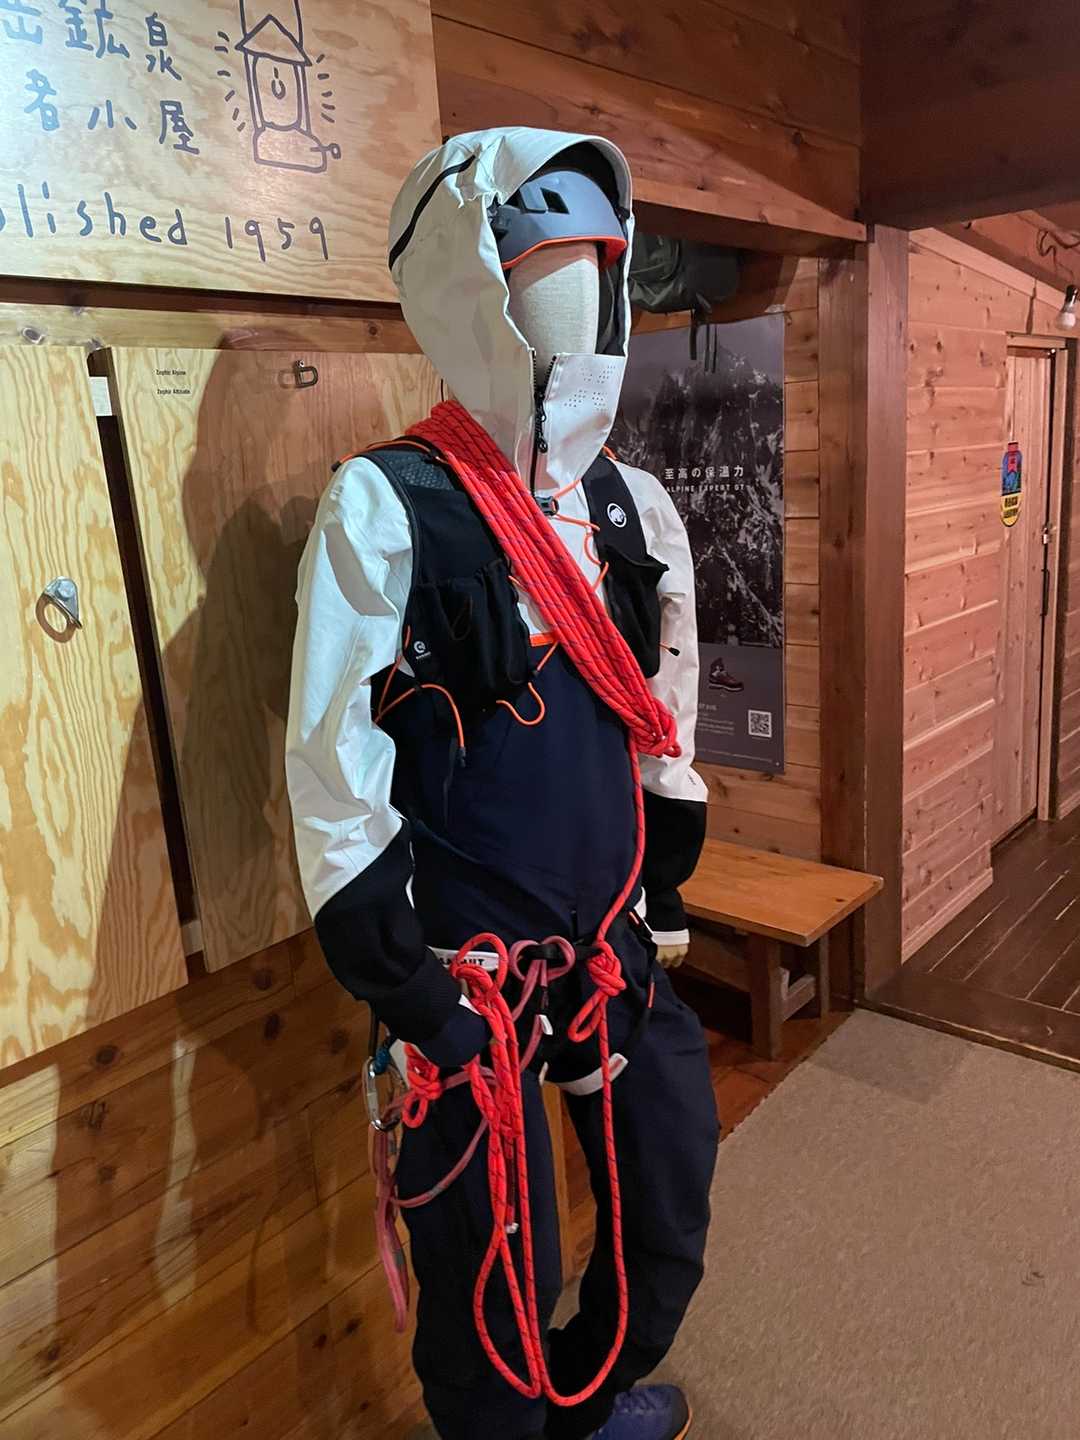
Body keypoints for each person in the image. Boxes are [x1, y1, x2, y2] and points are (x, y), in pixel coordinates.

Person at [286, 127, 719, 1440]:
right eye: (539, 267)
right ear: (471, 283)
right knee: (488, 1277)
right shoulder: (387, 509)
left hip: (609, 944)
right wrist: (411, 993)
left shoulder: (631, 507)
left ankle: (587, 1402)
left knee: (664, 1200)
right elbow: (333, 762)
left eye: (598, 266)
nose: (576, 300)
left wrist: (663, 876)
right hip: (464, 976)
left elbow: (659, 701)